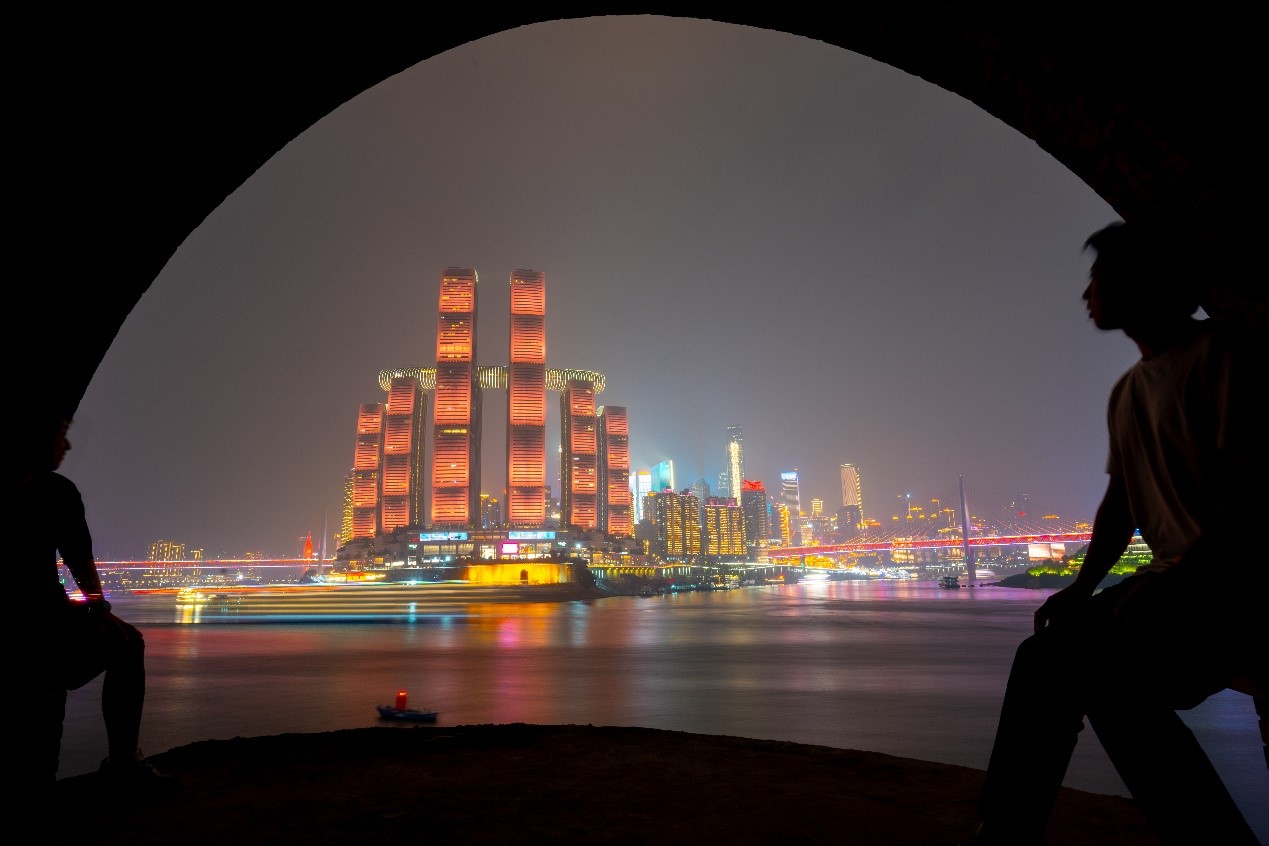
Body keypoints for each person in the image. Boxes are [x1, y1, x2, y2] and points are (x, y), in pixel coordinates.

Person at [967, 216, 1264, 845]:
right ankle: (1004, 831)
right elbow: (1121, 502)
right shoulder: (1128, 392)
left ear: (1144, 284)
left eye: (1098, 278)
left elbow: (1254, 491)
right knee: (1053, 659)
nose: (1086, 294)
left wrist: (1178, 579)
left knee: (1092, 670)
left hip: (1237, 584)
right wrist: (1082, 589)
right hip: (1178, 588)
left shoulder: (1223, 358)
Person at [13, 409, 179, 810]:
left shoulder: (59, 491)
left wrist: (98, 609)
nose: (66, 445)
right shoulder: (58, 492)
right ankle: (123, 763)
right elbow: (79, 560)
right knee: (126, 646)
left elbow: (77, 558)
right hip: (42, 623)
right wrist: (98, 610)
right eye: (60, 434)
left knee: (125, 644)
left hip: (45, 619)